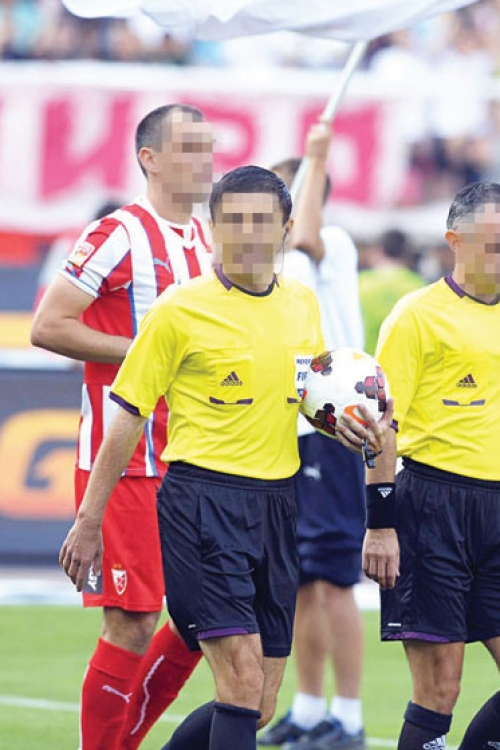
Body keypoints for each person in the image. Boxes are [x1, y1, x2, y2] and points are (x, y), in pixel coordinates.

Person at [58, 165, 393, 750]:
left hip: (279, 507)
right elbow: (127, 416)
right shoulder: (178, 309)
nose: (247, 233)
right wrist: (89, 521)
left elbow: (308, 398)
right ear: (212, 230)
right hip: (202, 505)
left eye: (261, 220)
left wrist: (343, 426)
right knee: (239, 681)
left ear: (286, 228)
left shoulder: (302, 304)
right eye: (233, 220)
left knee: (258, 703)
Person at [30, 102, 214, 750]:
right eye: (189, 148)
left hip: (195, 454)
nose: (204, 160)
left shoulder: (209, 241)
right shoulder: (118, 233)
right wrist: (146, 351)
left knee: (201, 620)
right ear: (150, 159)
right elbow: (48, 325)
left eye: (208, 147)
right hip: (128, 458)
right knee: (132, 623)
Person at [362, 181, 500, 750]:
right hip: (433, 506)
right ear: (454, 241)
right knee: (440, 688)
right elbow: (381, 424)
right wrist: (381, 524)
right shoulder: (416, 315)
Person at [259, 123, 366, 749]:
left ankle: (348, 716)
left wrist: (317, 157)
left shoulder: (332, 245)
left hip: (334, 429)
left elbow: (305, 234)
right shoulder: (273, 267)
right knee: (297, 577)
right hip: (291, 430)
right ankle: (306, 708)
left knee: (332, 578)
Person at [358, 229, 426, 356]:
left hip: (366, 360)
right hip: (405, 361)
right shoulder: (418, 285)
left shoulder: (361, 283)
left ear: (378, 251)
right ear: (406, 254)